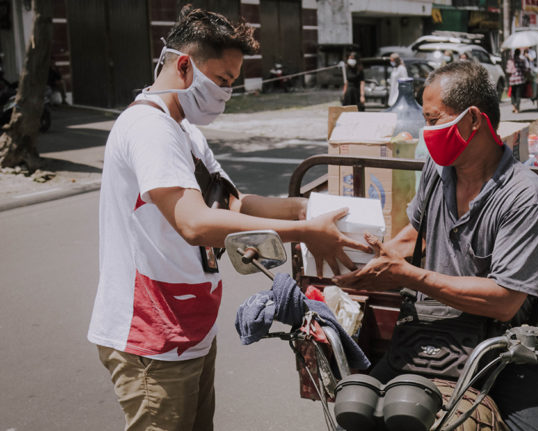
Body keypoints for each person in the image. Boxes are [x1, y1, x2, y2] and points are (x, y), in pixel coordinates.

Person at [88, 6, 369, 431]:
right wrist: (305, 232)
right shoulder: (149, 128)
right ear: (184, 65)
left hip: (189, 327)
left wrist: (310, 210)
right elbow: (196, 223)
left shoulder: (186, 133)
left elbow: (236, 206)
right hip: (152, 335)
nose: (225, 94)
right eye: (222, 81)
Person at [335, 61, 538, 431]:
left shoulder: (527, 197)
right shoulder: (437, 172)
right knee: (355, 413)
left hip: (495, 350)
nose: (426, 132)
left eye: (434, 119)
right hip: (424, 334)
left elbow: (504, 301)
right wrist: (369, 258)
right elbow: (413, 235)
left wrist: (411, 276)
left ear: (473, 119)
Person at [506, 48, 529, 113]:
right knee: (518, 94)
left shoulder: (510, 61)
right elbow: (524, 70)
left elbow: (508, 71)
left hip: (512, 80)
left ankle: (514, 106)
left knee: (512, 94)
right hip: (519, 80)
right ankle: (517, 108)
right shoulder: (521, 60)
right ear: (519, 53)